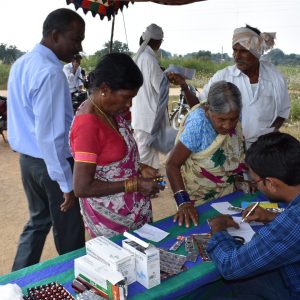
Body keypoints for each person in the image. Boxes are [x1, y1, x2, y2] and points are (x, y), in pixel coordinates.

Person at [7, 8, 86, 271]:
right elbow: (50, 137)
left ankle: (13, 284)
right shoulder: (51, 73)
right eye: (75, 39)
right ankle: (76, 283)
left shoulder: (22, 63)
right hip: (51, 165)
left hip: (28, 162)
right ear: (55, 36)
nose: (79, 47)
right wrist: (66, 183)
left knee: (38, 222)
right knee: (70, 231)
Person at [69, 53, 163, 238]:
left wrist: (139, 167)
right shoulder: (88, 124)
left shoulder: (110, 112)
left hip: (133, 213)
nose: (129, 104)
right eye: (126, 97)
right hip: (111, 222)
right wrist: (134, 183)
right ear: (105, 89)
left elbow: (111, 158)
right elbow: (82, 187)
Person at [207, 132, 300, 299]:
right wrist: (272, 216)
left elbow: (230, 266)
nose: (256, 188)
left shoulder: (294, 221)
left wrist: (218, 229)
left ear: (271, 183)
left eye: (256, 181)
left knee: (227, 286)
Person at [169, 24, 290, 149]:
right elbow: (199, 107)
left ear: (256, 52)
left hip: (264, 148)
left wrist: (270, 132)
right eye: (235, 50)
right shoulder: (223, 77)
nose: (237, 56)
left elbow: (283, 111)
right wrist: (184, 86)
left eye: (243, 51)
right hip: (230, 149)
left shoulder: (275, 77)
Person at [166, 81, 245, 228]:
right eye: (221, 119)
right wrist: (183, 202)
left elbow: (235, 153)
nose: (228, 125)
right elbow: (172, 164)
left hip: (227, 194)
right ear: (208, 110)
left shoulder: (234, 115)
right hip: (197, 200)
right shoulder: (198, 124)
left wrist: (240, 180)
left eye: (233, 119)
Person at [131, 23, 171, 170]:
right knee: (145, 158)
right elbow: (161, 86)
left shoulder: (141, 57)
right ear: (158, 41)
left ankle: (149, 188)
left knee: (148, 156)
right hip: (148, 119)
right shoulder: (149, 59)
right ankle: (143, 187)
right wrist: (167, 76)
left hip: (141, 116)